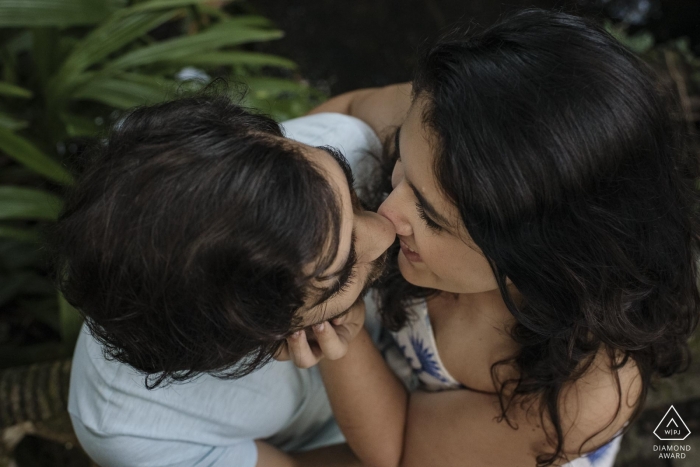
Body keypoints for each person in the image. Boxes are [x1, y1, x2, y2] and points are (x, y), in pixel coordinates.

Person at [290, 9, 700, 467]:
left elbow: (403, 450)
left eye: (431, 217)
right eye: (402, 162)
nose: (386, 212)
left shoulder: (585, 391)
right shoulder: (446, 124)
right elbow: (347, 111)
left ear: (539, 259)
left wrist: (334, 312)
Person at [45, 95, 395, 467]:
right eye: (340, 277)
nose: (386, 229)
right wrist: (344, 346)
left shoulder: (307, 163)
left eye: (353, 197)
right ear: (261, 338)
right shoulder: (132, 430)